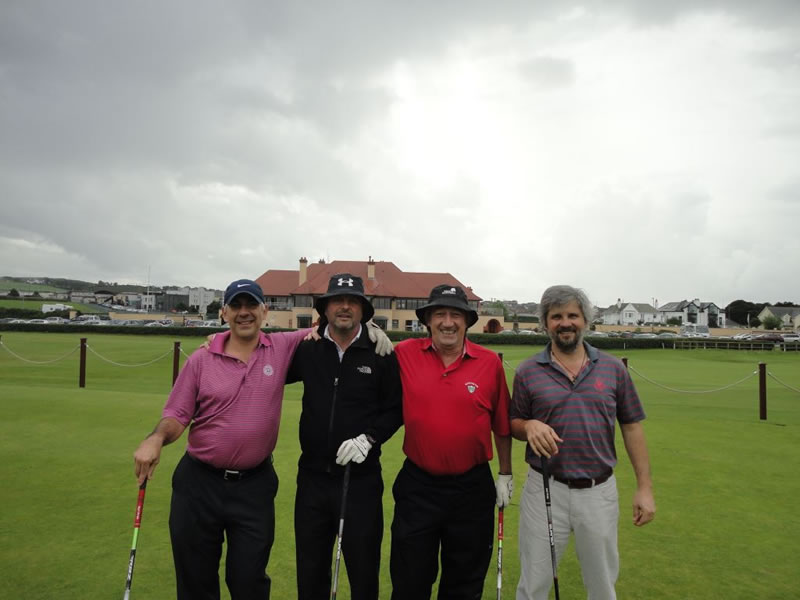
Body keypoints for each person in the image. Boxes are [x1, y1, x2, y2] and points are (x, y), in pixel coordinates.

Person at [510, 285, 656, 600]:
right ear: (545, 322)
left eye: (573, 315)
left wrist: (644, 487)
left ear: (585, 320)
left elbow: (631, 427)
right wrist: (530, 425)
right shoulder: (528, 371)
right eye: (556, 316)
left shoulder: (613, 369)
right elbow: (514, 423)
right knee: (533, 583)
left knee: (602, 585)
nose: (566, 323)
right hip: (544, 490)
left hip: (598, 492)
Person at [389, 283, 513, 600]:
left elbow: (501, 424)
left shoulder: (489, 363)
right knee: (409, 580)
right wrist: (371, 334)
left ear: (467, 321)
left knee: (464, 583)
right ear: (428, 320)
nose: (447, 322)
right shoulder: (403, 353)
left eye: (455, 314)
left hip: (471, 490)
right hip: (419, 487)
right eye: (439, 314)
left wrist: (505, 473)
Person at [286, 273, 403, 600]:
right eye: (338, 301)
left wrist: (369, 439)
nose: (345, 307)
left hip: (361, 482)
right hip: (311, 479)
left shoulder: (380, 353)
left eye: (353, 302)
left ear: (363, 310)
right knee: (311, 573)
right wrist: (218, 340)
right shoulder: (307, 349)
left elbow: (395, 409)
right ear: (325, 308)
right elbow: (262, 353)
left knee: (363, 572)